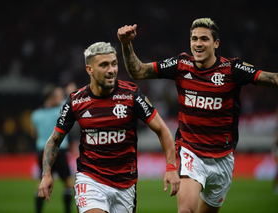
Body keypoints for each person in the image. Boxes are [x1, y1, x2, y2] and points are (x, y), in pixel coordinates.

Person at [117, 18, 278, 213]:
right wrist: (126, 44)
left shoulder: (232, 69)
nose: (198, 43)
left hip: (223, 158)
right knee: (186, 210)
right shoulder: (181, 65)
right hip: (191, 152)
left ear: (216, 43)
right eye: (194, 38)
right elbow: (138, 71)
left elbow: (271, 79)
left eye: (204, 38)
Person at [38, 42, 180, 213]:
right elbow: (54, 140)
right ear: (89, 69)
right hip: (90, 180)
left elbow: (163, 130)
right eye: (104, 65)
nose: (111, 70)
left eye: (114, 63)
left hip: (125, 185)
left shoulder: (131, 94)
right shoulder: (76, 101)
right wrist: (46, 174)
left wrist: (171, 167)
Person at [31, 84, 75, 213]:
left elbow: (34, 133)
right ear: (52, 98)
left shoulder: (35, 114)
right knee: (68, 182)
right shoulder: (61, 109)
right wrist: (71, 91)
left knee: (41, 182)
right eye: (58, 95)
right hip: (59, 151)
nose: (61, 98)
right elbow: (71, 102)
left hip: (42, 151)